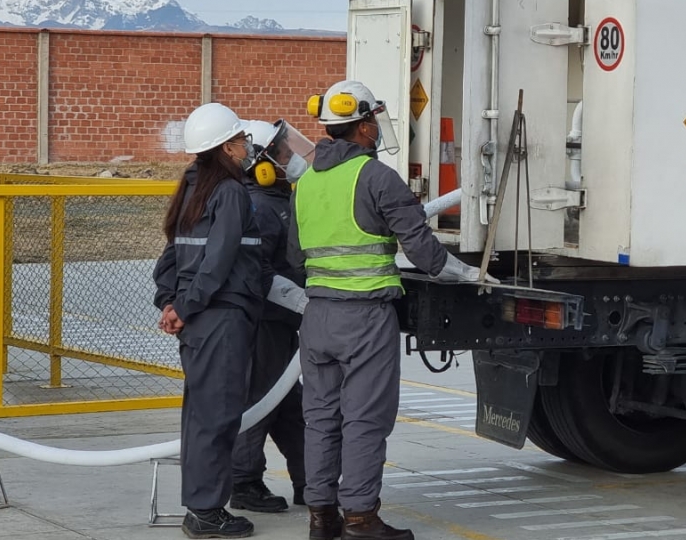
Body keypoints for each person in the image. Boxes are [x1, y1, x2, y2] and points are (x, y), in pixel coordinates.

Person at [289, 79, 491, 540]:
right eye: (372, 122)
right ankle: (360, 519)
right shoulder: (377, 177)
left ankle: (322, 518)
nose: (376, 130)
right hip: (363, 318)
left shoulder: (305, 182)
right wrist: (471, 275)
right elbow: (425, 256)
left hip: (317, 316)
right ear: (362, 126)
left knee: (320, 419)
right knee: (364, 419)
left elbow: (296, 255)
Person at [153, 102, 265, 540]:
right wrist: (185, 305)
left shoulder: (191, 187)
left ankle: (201, 506)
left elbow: (170, 258)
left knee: (201, 416)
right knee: (217, 419)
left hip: (198, 321)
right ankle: (205, 511)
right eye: (240, 140)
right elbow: (218, 261)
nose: (245, 147)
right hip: (221, 319)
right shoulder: (232, 192)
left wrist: (171, 303)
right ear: (226, 147)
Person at [229, 119, 315, 513]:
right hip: (265, 323)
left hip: (280, 326)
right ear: (259, 164)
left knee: (287, 404)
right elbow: (261, 273)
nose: (291, 157)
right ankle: (244, 483)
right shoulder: (261, 207)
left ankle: (310, 482)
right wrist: (304, 303)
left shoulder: (277, 199)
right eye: (281, 152)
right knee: (261, 399)